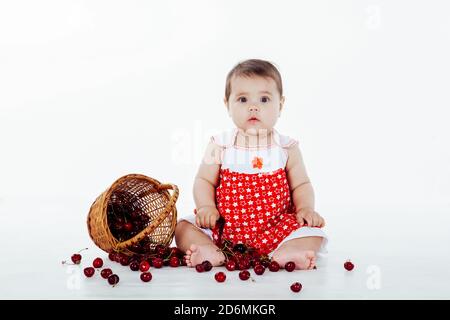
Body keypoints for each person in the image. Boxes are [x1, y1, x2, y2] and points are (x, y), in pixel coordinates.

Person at [175, 59, 328, 270]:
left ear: (280, 105)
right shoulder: (220, 145)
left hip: (276, 228)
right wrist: (206, 207)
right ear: (227, 104)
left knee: (314, 232)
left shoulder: (286, 148)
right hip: (225, 228)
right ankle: (209, 250)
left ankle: (289, 251)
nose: (254, 107)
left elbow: (301, 184)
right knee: (183, 227)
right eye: (243, 99)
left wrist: (305, 208)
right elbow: (203, 180)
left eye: (264, 99)